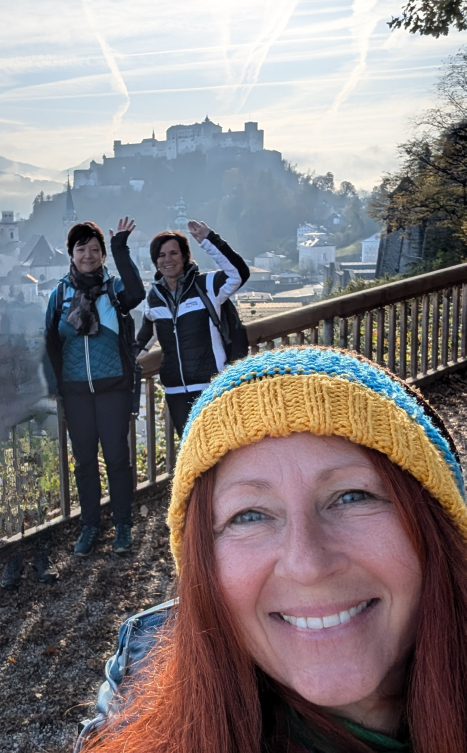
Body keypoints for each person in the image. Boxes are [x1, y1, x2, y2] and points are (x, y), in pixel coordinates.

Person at [81, 346, 467, 753]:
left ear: (436, 526)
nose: (307, 566)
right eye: (248, 516)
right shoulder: (139, 706)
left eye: (352, 496)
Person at [44, 218, 145, 557]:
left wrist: (120, 247)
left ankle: (122, 524)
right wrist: (58, 388)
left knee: (117, 458)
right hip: (75, 393)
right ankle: (90, 525)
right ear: (70, 254)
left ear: (103, 255)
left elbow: (138, 292)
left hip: (113, 387)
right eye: (81, 248)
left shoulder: (115, 290)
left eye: (95, 249)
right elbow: (50, 343)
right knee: (84, 461)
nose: (87, 255)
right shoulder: (60, 294)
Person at [136, 219, 249, 436]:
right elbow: (144, 339)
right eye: (161, 255)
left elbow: (239, 273)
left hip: (212, 387)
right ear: (155, 261)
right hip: (176, 392)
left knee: (219, 452)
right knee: (191, 458)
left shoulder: (207, 286)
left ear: (186, 257)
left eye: (173, 253)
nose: (167, 260)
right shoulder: (155, 297)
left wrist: (209, 240)